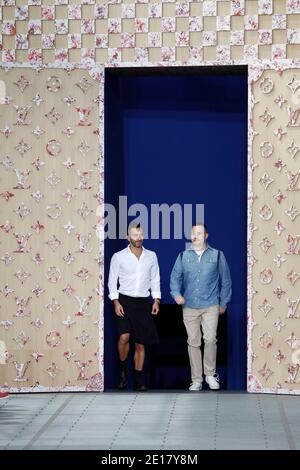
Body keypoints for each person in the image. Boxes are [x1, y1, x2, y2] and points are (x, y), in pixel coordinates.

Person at [170, 223, 232, 391]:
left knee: (210, 339)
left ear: (206, 236)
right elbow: (175, 278)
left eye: (198, 233)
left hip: (211, 305)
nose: (195, 236)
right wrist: (176, 294)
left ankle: (210, 375)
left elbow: (226, 281)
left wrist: (224, 302)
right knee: (193, 342)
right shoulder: (183, 256)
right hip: (189, 306)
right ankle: (196, 380)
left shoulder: (217, 255)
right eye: (193, 233)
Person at [108, 222, 161, 391]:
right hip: (124, 301)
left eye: (141, 234)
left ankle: (138, 380)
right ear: (128, 237)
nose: (139, 238)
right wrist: (115, 302)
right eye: (135, 235)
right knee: (124, 337)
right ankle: (123, 371)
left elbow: (155, 279)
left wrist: (157, 300)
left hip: (143, 303)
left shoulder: (151, 256)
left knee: (140, 344)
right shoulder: (118, 256)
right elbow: (111, 281)